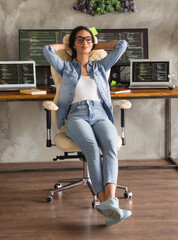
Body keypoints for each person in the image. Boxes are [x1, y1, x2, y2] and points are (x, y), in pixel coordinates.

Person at [42, 26, 131, 226]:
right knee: (91, 148)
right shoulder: (66, 68)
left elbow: (122, 45)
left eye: (88, 39)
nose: (85, 42)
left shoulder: (100, 66)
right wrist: (68, 45)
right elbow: (46, 50)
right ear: (73, 43)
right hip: (76, 115)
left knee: (109, 145)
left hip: (100, 114)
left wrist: (94, 44)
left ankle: (111, 204)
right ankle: (106, 202)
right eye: (80, 39)